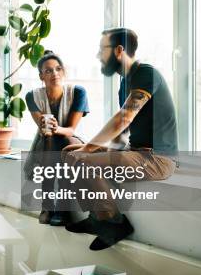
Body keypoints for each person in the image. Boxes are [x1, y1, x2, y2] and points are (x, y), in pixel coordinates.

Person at [62, 28, 178, 251]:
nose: (98, 55)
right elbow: (122, 134)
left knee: (83, 158)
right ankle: (97, 217)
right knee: (69, 152)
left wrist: (89, 150)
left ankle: (114, 223)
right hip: (136, 153)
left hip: (158, 159)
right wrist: (102, 154)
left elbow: (124, 119)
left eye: (101, 49)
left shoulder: (146, 74)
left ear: (118, 50)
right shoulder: (125, 84)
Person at [24, 50, 89, 226]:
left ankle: (57, 207)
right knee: (50, 141)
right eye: (48, 71)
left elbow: (70, 130)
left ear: (64, 72)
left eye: (58, 69)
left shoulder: (78, 92)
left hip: (71, 139)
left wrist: (56, 128)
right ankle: (52, 207)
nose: (54, 74)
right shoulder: (32, 96)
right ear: (41, 76)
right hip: (46, 141)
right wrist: (48, 130)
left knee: (63, 143)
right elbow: (43, 128)